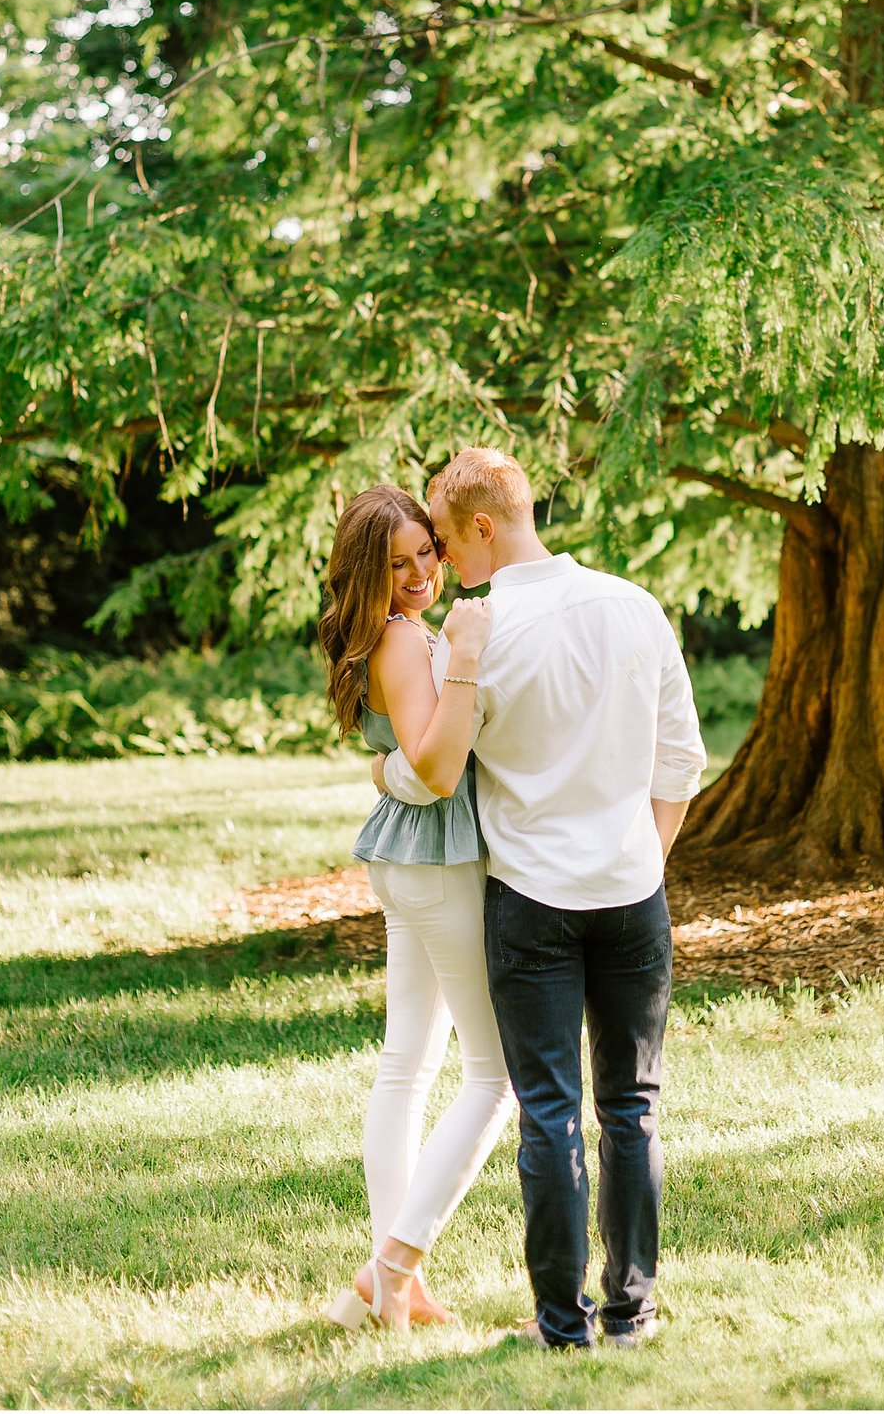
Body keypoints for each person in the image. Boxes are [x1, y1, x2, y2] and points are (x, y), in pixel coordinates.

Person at [378, 447, 706, 1350]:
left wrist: (384, 771)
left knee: (550, 1110)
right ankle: (631, 1314)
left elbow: (438, 766)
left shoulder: (475, 639)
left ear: (482, 526)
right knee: (631, 1109)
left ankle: (562, 1325)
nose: (441, 567)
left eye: (444, 541)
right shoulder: (633, 607)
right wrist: (638, 855)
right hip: (633, 892)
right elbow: (682, 759)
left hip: (530, 902)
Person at [313, 486, 513, 1333]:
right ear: (368, 574)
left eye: (426, 551)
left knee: (409, 1064)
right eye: (396, 564)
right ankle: (394, 1263)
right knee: (496, 1074)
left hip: (406, 859)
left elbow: (402, 758)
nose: (422, 572)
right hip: (432, 860)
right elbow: (433, 768)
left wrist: (388, 768)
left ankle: (394, 1280)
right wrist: (464, 654)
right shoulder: (401, 638)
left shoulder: (394, 635)